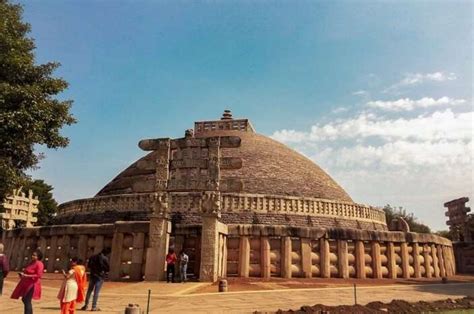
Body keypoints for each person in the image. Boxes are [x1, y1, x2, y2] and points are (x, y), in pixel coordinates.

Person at [11, 249, 44, 314]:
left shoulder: (39, 264)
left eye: (34, 255)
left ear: (38, 256)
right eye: (32, 255)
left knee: (26, 300)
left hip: (32, 284)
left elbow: (39, 275)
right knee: (25, 299)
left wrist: (26, 276)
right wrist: (23, 275)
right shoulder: (31, 262)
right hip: (26, 283)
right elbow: (27, 271)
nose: (32, 256)